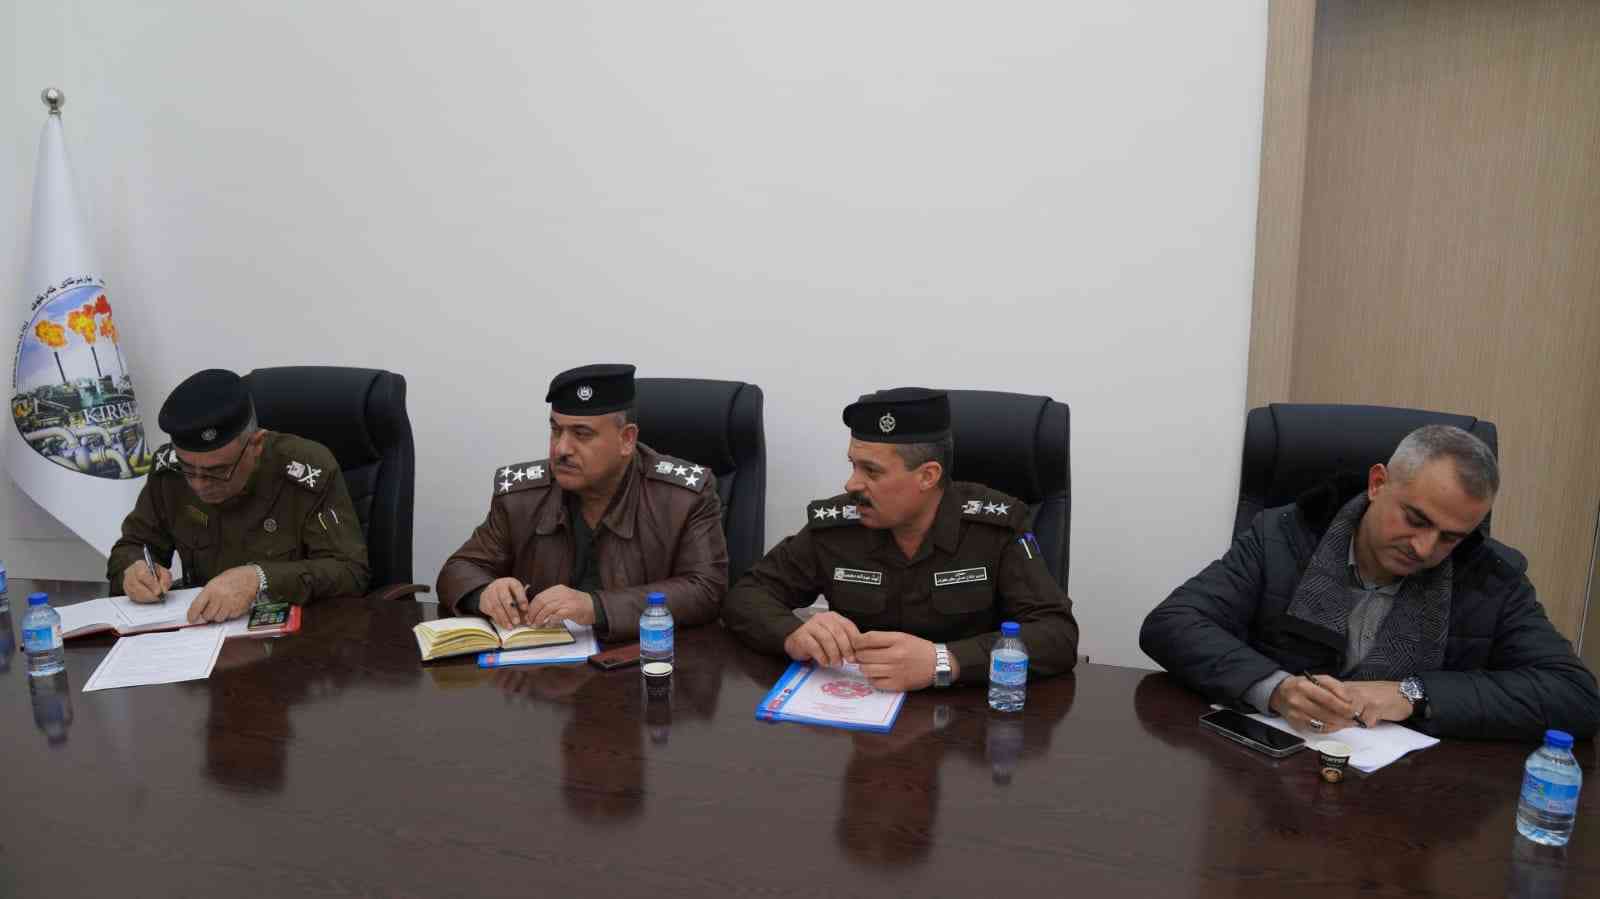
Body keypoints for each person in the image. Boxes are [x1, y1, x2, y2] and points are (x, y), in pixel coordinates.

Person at [1141, 425, 1599, 740]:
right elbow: (1172, 623)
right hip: (1270, 778)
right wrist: (1276, 689)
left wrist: (1413, 693)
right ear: (1378, 483)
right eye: (1416, 519)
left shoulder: (1490, 578)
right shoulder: (1282, 536)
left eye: (1450, 537)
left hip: (1414, 798)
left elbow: (1577, 696)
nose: (1424, 547)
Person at [722, 387, 1079, 692]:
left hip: (967, 724)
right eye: (853, 465)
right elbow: (747, 594)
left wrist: (946, 660)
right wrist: (792, 633)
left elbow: (1057, 635)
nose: (851, 484)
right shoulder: (838, 526)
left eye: (871, 471)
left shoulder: (994, 528)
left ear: (928, 476)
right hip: (856, 708)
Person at [437, 363, 728, 640]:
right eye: (556, 430)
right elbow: (460, 568)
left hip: (644, 660)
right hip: (540, 667)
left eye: (582, 434)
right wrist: (485, 593)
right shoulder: (521, 496)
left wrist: (597, 607)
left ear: (627, 439)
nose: (561, 449)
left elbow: (706, 590)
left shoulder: (682, 497)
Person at [107, 369, 370, 622]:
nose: (198, 484)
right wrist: (134, 569)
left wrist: (260, 578)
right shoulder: (168, 472)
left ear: (256, 444)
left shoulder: (306, 469)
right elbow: (133, 545)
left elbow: (350, 572)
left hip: (293, 634)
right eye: (187, 468)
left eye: (217, 471)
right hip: (200, 633)